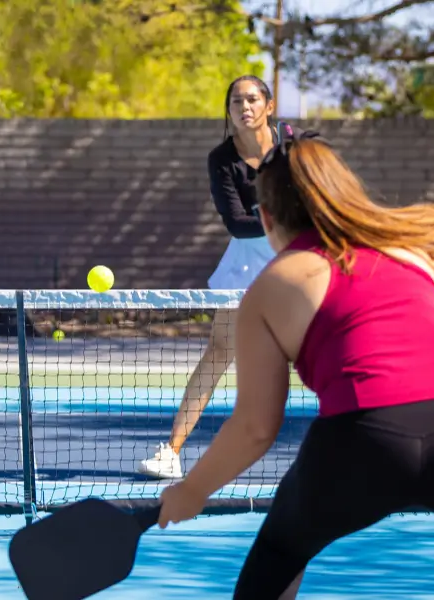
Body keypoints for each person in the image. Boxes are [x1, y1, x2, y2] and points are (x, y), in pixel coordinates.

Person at [155, 130, 434, 598]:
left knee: (280, 554)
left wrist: (192, 491)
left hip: (363, 437)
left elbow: (256, 428)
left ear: (265, 218)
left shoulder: (270, 286)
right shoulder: (406, 248)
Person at [138, 75, 283, 479]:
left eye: (252, 99)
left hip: (297, 260)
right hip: (246, 265)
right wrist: (285, 222)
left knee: (325, 351)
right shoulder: (222, 159)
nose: (244, 107)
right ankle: (171, 451)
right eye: (236, 102)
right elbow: (236, 223)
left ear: (269, 106)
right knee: (219, 351)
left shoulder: (293, 145)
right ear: (229, 111)